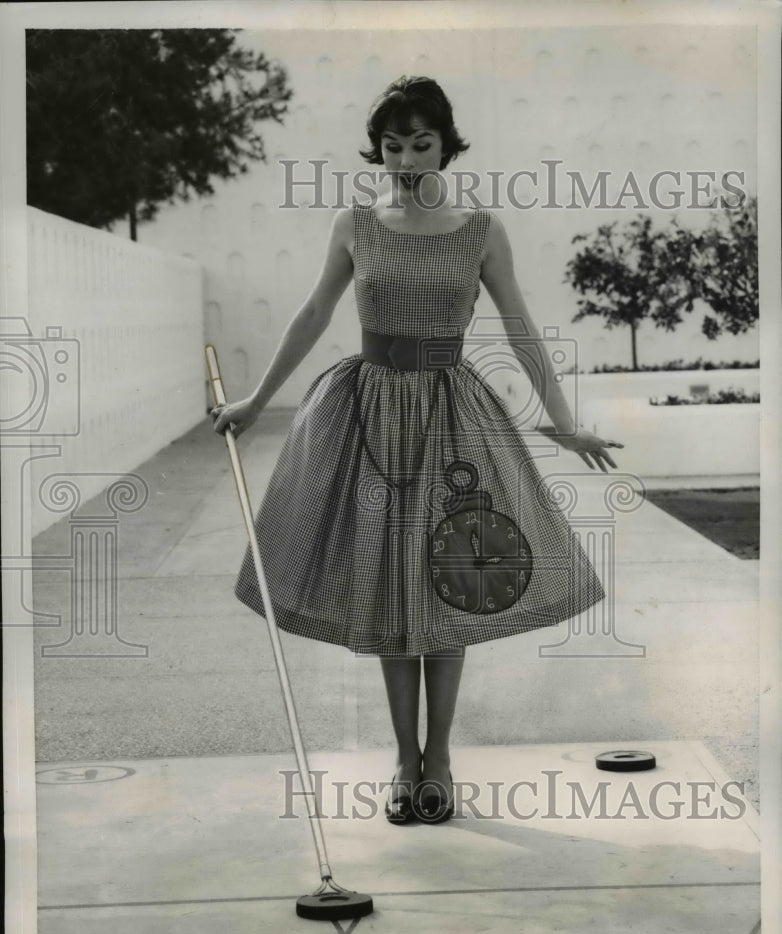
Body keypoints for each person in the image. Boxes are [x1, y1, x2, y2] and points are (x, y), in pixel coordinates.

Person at [212, 75, 622, 826]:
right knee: (392, 588)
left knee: (451, 579)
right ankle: (406, 762)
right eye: (393, 145)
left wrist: (564, 424)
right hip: (367, 416)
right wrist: (255, 401)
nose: (405, 158)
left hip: (452, 417)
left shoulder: (481, 229)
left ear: (447, 144)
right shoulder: (354, 223)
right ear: (379, 149)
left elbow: (521, 329)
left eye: (421, 143)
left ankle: (442, 759)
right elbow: (311, 314)